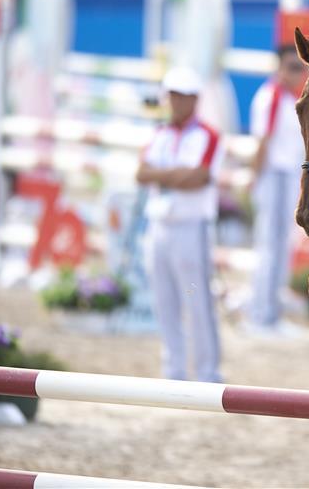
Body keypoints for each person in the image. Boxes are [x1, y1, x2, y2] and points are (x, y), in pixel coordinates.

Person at [137, 66, 224, 381]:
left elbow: (199, 177)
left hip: (191, 225)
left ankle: (207, 370)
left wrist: (163, 175)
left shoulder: (208, 135)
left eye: (183, 96)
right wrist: (176, 175)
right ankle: (173, 369)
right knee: (164, 300)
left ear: (194, 99)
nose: (177, 102)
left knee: (196, 298)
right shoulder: (160, 134)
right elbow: (142, 173)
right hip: (160, 225)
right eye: (173, 95)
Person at [244, 44, 308, 336]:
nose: (298, 73)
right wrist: (255, 180)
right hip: (275, 177)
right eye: (292, 67)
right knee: (270, 247)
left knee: (281, 246)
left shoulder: (286, 99)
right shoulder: (270, 98)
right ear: (279, 68)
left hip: (285, 176)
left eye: (301, 67)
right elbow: (262, 143)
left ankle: (270, 312)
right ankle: (261, 315)